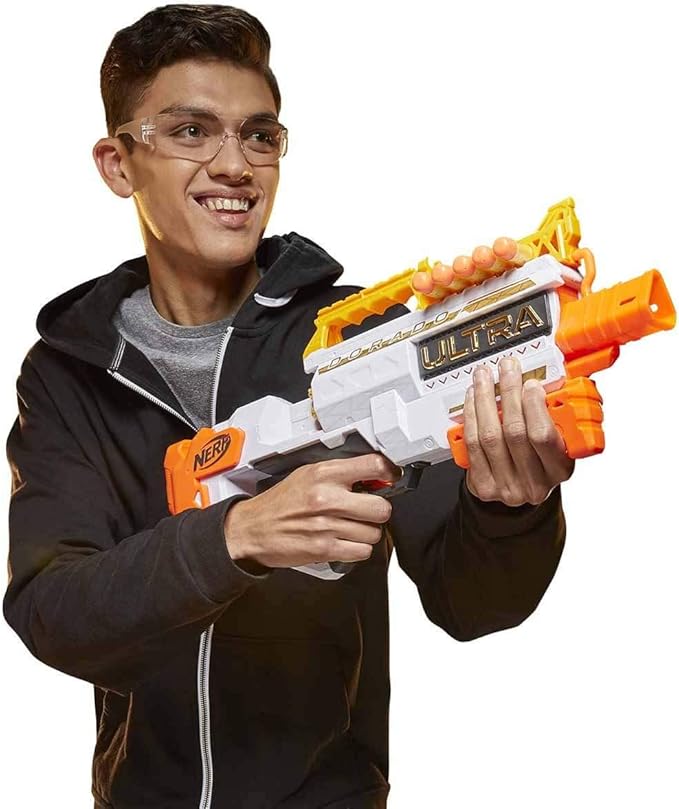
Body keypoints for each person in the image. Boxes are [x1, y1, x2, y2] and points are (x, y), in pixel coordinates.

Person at [3, 5, 572, 808]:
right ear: (118, 163)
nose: (235, 165)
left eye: (259, 135)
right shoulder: (70, 373)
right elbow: (53, 611)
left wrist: (509, 506)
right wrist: (235, 536)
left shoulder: (364, 337)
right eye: (192, 131)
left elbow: (473, 602)